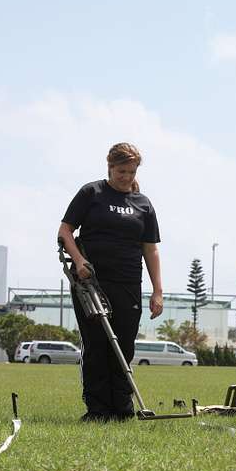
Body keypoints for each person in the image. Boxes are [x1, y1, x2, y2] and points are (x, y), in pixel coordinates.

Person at [58, 142, 163, 422]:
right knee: (97, 345)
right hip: (91, 283)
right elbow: (65, 231)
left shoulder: (143, 204)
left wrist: (158, 291)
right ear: (110, 167)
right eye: (121, 171)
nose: (126, 177)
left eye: (131, 172)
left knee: (124, 345)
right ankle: (98, 409)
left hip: (128, 283)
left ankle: (122, 409)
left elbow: (150, 249)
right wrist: (79, 261)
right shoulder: (91, 193)